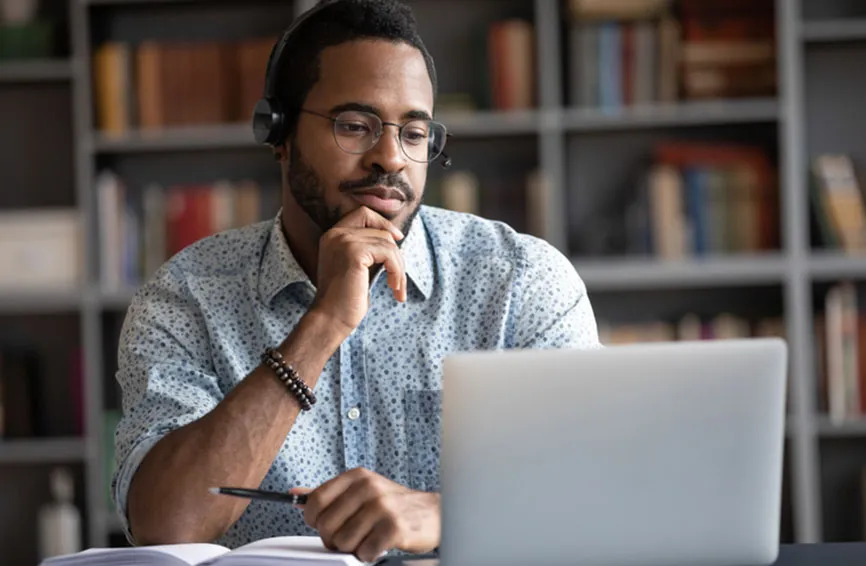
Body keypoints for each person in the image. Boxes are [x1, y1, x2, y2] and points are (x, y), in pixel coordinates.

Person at [112, 0, 600, 562]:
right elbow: (166, 525)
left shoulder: (521, 282)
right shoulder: (186, 297)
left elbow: (595, 494)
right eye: (355, 126)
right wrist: (322, 325)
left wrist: (447, 512)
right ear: (280, 133)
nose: (390, 157)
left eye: (414, 133)